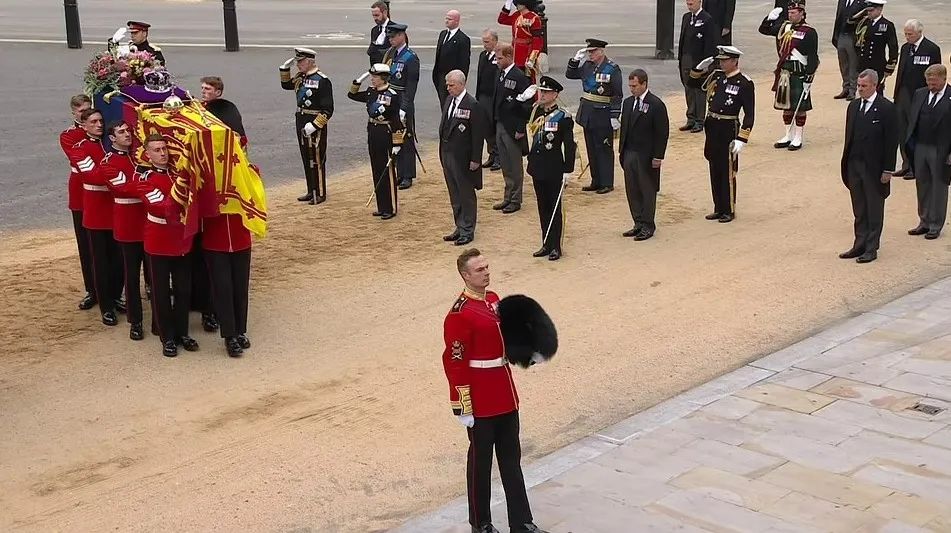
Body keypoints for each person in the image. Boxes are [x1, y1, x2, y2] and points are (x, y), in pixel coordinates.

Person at [442, 248, 550, 533]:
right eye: (479, 270)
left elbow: (507, 339)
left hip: (503, 392)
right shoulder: (459, 314)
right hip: (480, 398)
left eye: (487, 267)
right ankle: (481, 524)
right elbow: (454, 362)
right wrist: (462, 403)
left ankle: (522, 522)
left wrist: (528, 351)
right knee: (480, 466)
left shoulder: (493, 300)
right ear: (465, 276)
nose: (486, 272)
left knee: (511, 461)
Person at [136, 134, 199, 357]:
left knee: (183, 289)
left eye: (164, 149)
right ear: (147, 154)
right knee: (161, 292)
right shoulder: (144, 178)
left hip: (180, 239)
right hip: (159, 241)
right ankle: (167, 337)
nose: (162, 153)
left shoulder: (177, 175)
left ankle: (182, 331)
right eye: (156, 150)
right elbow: (159, 207)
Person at [66, 108, 124, 326]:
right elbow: (91, 175)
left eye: (101, 121)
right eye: (94, 122)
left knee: (117, 258)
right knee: (99, 260)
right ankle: (105, 305)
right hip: (97, 211)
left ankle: (116, 296)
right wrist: (114, 173)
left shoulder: (111, 146)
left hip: (115, 209)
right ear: (84, 125)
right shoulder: (79, 149)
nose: (99, 125)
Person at [688, 45, 755, 224]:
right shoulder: (717, 76)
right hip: (712, 125)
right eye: (721, 60)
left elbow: (749, 114)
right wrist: (698, 69)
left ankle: (729, 209)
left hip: (728, 126)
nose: (722, 63)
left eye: (725, 60)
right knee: (714, 166)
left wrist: (742, 138)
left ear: (734, 61)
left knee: (727, 170)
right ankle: (718, 207)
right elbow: (693, 84)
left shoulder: (744, 82)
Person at [840, 69, 898, 264]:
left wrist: (888, 169)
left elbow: (891, 141)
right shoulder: (854, 107)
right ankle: (860, 243)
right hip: (854, 164)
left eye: (864, 86)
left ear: (875, 85)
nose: (860, 89)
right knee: (859, 207)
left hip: (874, 168)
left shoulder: (887, 108)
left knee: (874, 208)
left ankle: (872, 247)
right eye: (858, 86)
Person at [101, 120, 148, 341]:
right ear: (112, 138)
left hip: (147, 224)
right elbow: (124, 188)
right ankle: (135, 321)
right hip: (128, 225)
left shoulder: (139, 157)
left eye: (128, 131)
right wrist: (145, 183)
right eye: (121, 132)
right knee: (130, 277)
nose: (127, 134)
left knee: (153, 277)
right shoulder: (108, 163)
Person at [526, 77, 576, 262]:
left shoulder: (563, 117)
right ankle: (546, 242)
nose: (542, 94)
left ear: (555, 95)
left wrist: (568, 170)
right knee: (542, 207)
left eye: (546, 92)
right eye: (541, 91)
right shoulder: (536, 111)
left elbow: (570, 146)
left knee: (555, 208)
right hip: (537, 166)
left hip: (554, 168)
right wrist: (523, 98)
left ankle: (555, 245)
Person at [759, 1, 819, 151]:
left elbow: (812, 56)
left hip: (799, 71)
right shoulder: (785, 27)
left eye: (793, 13)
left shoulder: (809, 32)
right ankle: (788, 135)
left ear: (802, 13)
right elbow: (764, 30)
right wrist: (770, 18)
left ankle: (798, 137)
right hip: (785, 72)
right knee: (785, 106)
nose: (790, 15)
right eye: (789, 13)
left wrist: (809, 77)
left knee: (799, 107)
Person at [348, 63, 406, 220]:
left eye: (375, 77)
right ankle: (382, 206)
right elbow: (351, 95)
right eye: (372, 77)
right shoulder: (370, 92)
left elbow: (396, 121)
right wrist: (357, 81)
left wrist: (397, 143)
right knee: (377, 170)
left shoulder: (393, 95)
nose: (372, 80)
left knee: (387, 172)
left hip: (386, 133)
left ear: (383, 78)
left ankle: (391, 207)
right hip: (373, 132)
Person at [565, 38, 622, 194]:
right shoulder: (588, 66)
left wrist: (614, 115)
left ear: (601, 51)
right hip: (588, 111)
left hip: (603, 112)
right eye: (588, 52)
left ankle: (606, 182)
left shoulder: (612, 69)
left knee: (603, 148)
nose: (590, 54)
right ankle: (596, 180)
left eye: (593, 51)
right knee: (591, 147)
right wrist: (575, 60)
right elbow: (570, 74)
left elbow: (617, 94)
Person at [619, 69, 669, 241]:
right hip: (629, 152)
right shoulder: (627, 103)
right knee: (632, 190)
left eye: (635, 86)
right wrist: (622, 152)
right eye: (630, 86)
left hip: (646, 155)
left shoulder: (656, 104)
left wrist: (658, 156)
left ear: (644, 84)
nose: (632, 89)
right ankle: (638, 222)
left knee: (647, 191)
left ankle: (648, 225)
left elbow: (662, 133)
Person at [279, 47, 334, 205]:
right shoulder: (300, 77)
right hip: (301, 118)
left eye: (300, 62)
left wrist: (315, 125)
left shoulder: (322, 80)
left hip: (314, 121)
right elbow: (286, 85)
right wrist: (284, 69)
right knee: (305, 156)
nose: (298, 65)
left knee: (317, 157)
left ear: (310, 62)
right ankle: (311, 190)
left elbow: (328, 110)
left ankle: (320, 192)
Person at [439, 70, 486, 246]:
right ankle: (459, 225)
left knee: (466, 194)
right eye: (447, 85)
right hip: (447, 153)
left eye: (451, 85)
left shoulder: (472, 105)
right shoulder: (449, 100)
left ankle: (468, 229)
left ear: (461, 84)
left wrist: (475, 159)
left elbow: (477, 136)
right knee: (454, 193)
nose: (448, 88)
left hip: (464, 157)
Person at [905, 64, 951, 240]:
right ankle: (924, 221)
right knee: (922, 185)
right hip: (921, 147)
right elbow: (913, 120)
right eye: (928, 80)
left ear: (943, 78)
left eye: (934, 81)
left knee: (938, 187)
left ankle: (935, 224)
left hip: (941, 149)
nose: (930, 84)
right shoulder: (920, 94)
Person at [61, 94, 97, 311]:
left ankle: (111, 290)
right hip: (81, 194)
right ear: (74, 113)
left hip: (102, 195)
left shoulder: (99, 129)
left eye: (88, 109)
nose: (85, 113)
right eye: (82, 111)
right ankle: (92, 290)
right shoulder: (69, 135)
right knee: (86, 245)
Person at [893, 20, 942, 179]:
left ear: (919, 33)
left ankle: (917, 167)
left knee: (917, 132)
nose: (907, 37)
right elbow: (901, 72)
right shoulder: (905, 48)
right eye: (906, 34)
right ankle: (906, 164)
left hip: (920, 97)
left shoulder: (932, 49)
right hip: (903, 95)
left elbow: (937, 75)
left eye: (910, 34)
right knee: (902, 131)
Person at [202, 211, 253, 357]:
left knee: (240, 288)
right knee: (223, 289)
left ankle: (240, 330)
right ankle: (229, 335)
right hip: (215, 239)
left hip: (240, 236)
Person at [492, 43, 533, 214]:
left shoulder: (518, 76)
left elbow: (525, 105)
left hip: (512, 126)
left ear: (509, 57)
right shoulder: (500, 74)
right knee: (505, 163)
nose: (497, 61)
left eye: (500, 58)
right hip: (500, 123)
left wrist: (520, 128)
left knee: (515, 165)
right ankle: (508, 196)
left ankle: (516, 199)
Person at [383, 23, 420, 190]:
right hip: (391, 102)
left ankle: (408, 175)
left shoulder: (410, 57)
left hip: (403, 102)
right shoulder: (390, 54)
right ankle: (399, 172)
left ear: (402, 36)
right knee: (394, 139)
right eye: (389, 37)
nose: (390, 40)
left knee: (406, 139)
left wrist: (404, 108)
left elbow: (411, 87)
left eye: (393, 37)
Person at [678, 0, 718, 133]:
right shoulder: (686, 18)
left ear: (699, 2)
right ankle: (690, 118)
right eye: (688, 2)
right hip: (686, 58)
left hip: (699, 60)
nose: (689, 4)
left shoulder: (707, 19)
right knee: (688, 89)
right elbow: (682, 39)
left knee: (699, 91)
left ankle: (699, 120)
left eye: (692, 2)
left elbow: (710, 43)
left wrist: (706, 64)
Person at [851, 0, 898, 95]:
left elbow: (893, 48)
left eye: (871, 11)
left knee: (876, 91)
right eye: (867, 11)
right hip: (863, 64)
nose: (869, 13)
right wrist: (862, 13)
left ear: (879, 9)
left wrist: (890, 66)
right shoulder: (864, 23)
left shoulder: (887, 25)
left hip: (877, 65)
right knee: (863, 90)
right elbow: (850, 21)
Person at [433, 10, 471, 110]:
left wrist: (461, 81)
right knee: (444, 105)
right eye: (446, 18)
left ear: (456, 21)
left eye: (449, 19)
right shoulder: (443, 34)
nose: (446, 21)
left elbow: (464, 63)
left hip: (453, 79)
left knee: (451, 106)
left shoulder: (463, 39)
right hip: (441, 77)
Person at [497, 0, 544, 80]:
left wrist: (531, 59)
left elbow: (537, 41)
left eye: (519, 3)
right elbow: (502, 20)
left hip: (526, 55)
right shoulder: (516, 15)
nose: (517, 5)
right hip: (514, 54)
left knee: (527, 81)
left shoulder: (534, 18)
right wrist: (507, 7)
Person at [476, 29, 501, 171]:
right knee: (485, 127)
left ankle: (499, 157)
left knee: (494, 127)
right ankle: (491, 154)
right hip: (483, 96)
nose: (485, 45)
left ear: (495, 41)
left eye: (487, 42)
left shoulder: (499, 57)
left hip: (493, 97)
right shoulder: (483, 56)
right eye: (483, 42)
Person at [201, 76, 247, 148]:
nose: (203, 91)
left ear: (218, 92)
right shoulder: (230, 105)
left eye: (207, 89)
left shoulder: (218, 109)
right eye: (202, 88)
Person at [833, 0, 866, 100]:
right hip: (841, 34)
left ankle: (852, 90)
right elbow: (838, 17)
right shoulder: (842, 1)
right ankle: (846, 88)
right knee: (843, 63)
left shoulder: (862, 2)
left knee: (853, 64)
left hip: (853, 36)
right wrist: (836, 35)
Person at [367, 0, 392, 66]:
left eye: (377, 15)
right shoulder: (374, 30)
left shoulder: (394, 29)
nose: (375, 18)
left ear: (385, 13)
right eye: (373, 16)